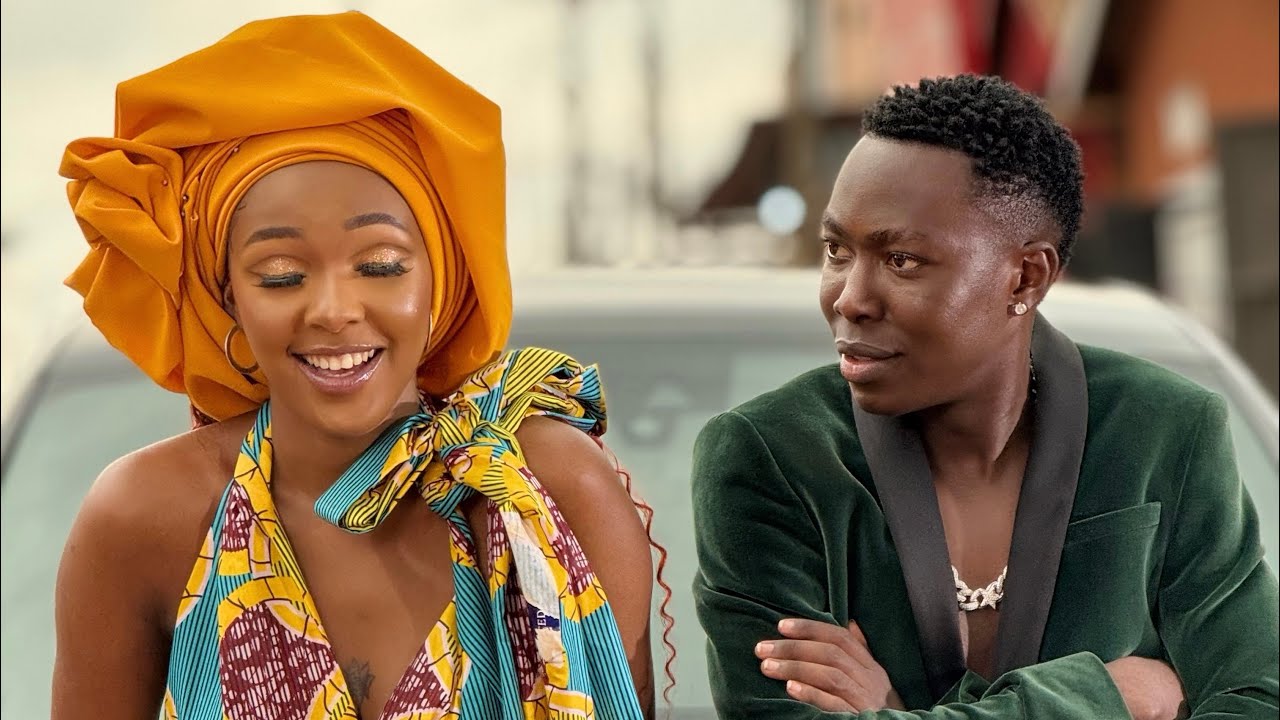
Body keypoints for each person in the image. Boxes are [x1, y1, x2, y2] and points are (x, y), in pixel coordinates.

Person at [51, 13, 658, 720]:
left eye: (381, 265)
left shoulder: (550, 491)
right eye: (280, 275)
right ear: (229, 300)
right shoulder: (148, 519)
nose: (334, 310)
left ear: (439, 281)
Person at [692, 74, 1279, 719]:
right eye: (836, 250)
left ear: (1025, 276)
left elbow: (1260, 699)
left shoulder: (1164, 430)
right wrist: (1104, 697)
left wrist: (894, 711)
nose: (850, 298)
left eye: (902, 260)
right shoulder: (771, 459)